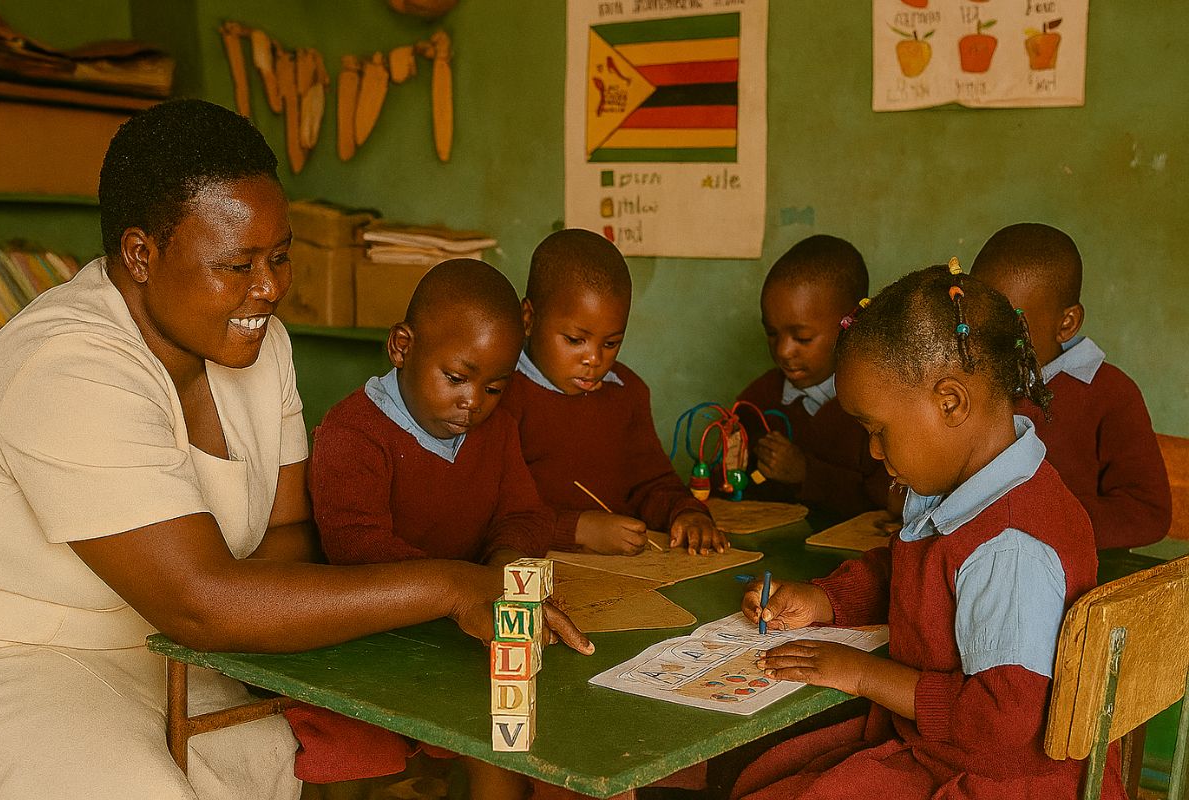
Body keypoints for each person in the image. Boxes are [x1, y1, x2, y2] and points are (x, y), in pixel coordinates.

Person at [0, 98, 589, 800]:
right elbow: (198, 599)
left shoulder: (260, 344)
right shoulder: (65, 365)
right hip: (32, 660)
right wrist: (452, 584)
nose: (270, 288)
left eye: (279, 257)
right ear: (140, 255)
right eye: (237, 264)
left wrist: (247, 606)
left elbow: (286, 531)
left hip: (183, 657)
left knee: (279, 762)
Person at [731, 264, 1123, 799]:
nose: (872, 450)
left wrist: (863, 675)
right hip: (945, 746)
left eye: (877, 429)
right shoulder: (972, 487)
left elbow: (1003, 726)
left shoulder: (1009, 549)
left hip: (993, 778)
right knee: (766, 774)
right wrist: (824, 601)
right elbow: (916, 577)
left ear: (950, 402)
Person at [294, 258, 558, 798]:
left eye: (494, 387)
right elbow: (356, 549)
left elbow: (526, 516)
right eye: (457, 379)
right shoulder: (354, 433)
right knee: (364, 762)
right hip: (371, 645)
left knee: (507, 743)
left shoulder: (497, 429)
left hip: (464, 641)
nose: (472, 403)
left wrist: (506, 566)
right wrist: (466, 587)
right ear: (402, 346)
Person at [498, 228, 728, 556]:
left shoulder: (626, 392)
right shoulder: (501, 392)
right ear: (529, 319)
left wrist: (686, 512)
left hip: (617, 577)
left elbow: (651, 484)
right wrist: (575, 529)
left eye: (611, 343)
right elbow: (490, 508)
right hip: (530, 569)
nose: (594, 359)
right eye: (575, 340)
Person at [971, 222, 1171, 549]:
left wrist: (1035, 519)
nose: (987, 339)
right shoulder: (968, 385)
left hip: (1075, 582)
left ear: (1066, 324)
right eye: (978, 319)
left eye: (1010, 324)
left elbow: (1148, 512)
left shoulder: (1111, 393)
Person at [735, 235, 893, 519]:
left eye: (803, 338)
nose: (783, 351)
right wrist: (725, 465)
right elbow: (730, 491)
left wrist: (806, 474)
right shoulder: (756, 400)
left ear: (851, 324)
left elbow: (888, 503)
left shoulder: (879, 407)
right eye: (772, 333)